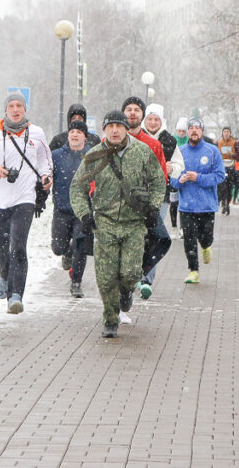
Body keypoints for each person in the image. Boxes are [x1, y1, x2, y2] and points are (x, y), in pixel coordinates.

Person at [70, 110, 166, 338]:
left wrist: (153, 207)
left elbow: (158, 181)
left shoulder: (142, 152)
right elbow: (77, 188)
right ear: (104, 129)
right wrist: (85, 214)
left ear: (126, 129)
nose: (115, 130)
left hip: (134, 224)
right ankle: (110, 320)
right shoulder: (94, 155)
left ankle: (126, 293)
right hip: (104, 224)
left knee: (131, 272)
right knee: (106, 277)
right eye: (110, 126)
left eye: (119, 126)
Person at [0, 92, 52, 314]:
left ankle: (16, 296)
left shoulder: (37, 133)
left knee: (18, 247)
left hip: (24, 199)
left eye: (19, 106)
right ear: (5, 110)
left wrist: (45, 176)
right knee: (2, 248)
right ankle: (4, 274)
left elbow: (44, 160)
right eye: (11, 106)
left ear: (25, 109)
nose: (15, 110)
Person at [121, 96, 172, 300]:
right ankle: (124, 290)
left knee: (160, 239)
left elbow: (161, 178)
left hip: (146, 207)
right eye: (128, 109)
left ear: (142, 115)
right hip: (119, 208)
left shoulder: (153, 144)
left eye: (136, 110)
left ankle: (144, 274)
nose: (132, 113)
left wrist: (153, 204)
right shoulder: (112, 140)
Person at [170, 118, 227, 284]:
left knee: (206, 237)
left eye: (197, 128)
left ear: (202, 131)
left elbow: (220, 175)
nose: (194, 131)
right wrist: (180, 180)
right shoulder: (179, 152)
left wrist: (198, 177)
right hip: (187, 206)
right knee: (189, 239)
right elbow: (172, 178)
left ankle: (206, 246)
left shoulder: (212, 151)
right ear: (187, 132)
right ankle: (193, 270)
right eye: (191, 128)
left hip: (207, 205)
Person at [51, 120, 94, 298]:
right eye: (72, 131)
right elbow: (45, 177)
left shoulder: (92, 155)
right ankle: (66, 252)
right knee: (58, 247)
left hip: (82, 211)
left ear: (84, 136)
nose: (75, 134)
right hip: (61, 208)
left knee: (81, 246)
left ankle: (76, 283)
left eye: (79, 131)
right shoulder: (56, 155)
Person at [169, 118, 189, 228]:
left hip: (185, 176)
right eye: (179, 131)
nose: (181, 133)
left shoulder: (189, 142)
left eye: (183, 131)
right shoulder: (172, 141)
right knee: (174, 203)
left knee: (183, 204)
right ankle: (173, 226)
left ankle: (182, 227)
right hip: (174, 176)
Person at [216, 127, 239, 215]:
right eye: (224, 132)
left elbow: (238, 155)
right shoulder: (219, 142)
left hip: (231, 167)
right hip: (222, 167)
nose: (226, 133)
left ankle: (227, 204)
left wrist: (232, 155)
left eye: (228, 132)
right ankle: (224, 203)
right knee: (222, 186)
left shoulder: (234, 142)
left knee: (229, 187)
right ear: (222, 133)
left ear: (230, 133)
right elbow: (216, 154)